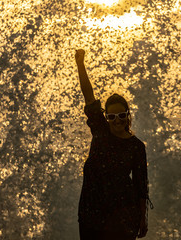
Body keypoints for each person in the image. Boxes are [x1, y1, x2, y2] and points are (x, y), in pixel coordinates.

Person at [75, 49, 153, 240]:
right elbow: (88, 94)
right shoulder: (100, 131)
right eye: (111, 116)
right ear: (106, 118)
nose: (116, 120)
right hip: (91, 211)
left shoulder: (136, 147)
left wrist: (142, 217)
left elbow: (141, 185)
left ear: (127, 116)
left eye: (121, 115)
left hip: (122, 214)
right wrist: (80, 64)